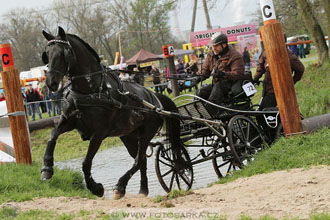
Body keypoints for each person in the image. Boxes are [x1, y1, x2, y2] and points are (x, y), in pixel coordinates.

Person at [198, 32, 245, 114]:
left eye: (216, 46)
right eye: (212, 46)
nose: (213, 48)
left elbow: (238, 74)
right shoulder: (211, 55)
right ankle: (197, 114)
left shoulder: (235, 56)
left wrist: (223, 74)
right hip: (216, 85)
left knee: (218, 87)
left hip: (231, 85)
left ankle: (209, 115)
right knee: (200, 92)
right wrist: (198, 77)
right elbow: (205, 70)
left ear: (224, 45)